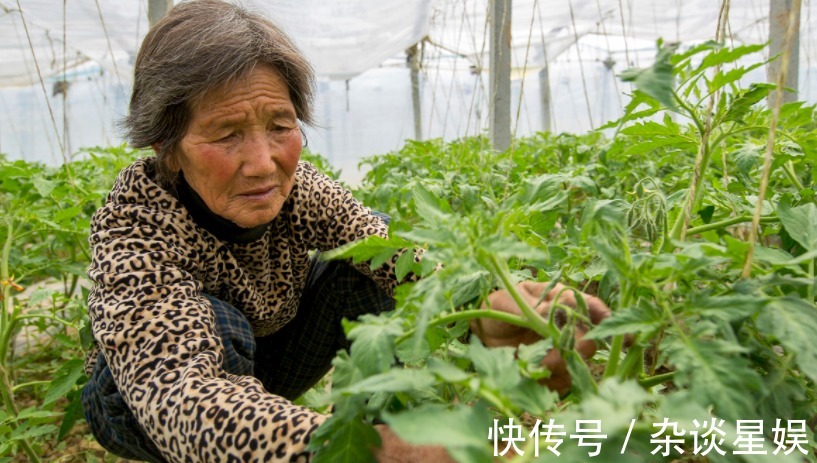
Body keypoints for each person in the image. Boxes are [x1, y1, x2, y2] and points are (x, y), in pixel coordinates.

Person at [80, 1, 610, 462]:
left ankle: (368, 417)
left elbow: (397, 258)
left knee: (370, 256)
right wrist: (351, 451)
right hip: (144, 406)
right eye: (226, 134)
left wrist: (482, 313)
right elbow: (180, 398)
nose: (264, 164)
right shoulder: (136, 227)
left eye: (281, 127)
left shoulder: (297, 188)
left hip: (274, 358)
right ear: (166, 148)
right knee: (221, 326)